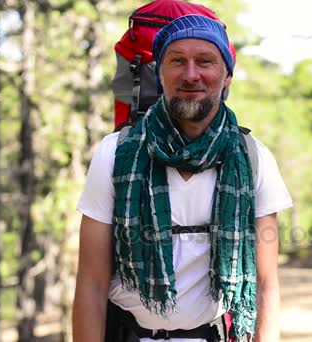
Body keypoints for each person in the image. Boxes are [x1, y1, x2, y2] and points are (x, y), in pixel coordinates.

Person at [72, 14, 292, 342]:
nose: (191, 75)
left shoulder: (253, 158)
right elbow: (91, 282)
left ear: (226, 75)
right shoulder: (115, 153)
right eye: (177, 61)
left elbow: (266, 284)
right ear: (160, 73)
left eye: (205, 61)